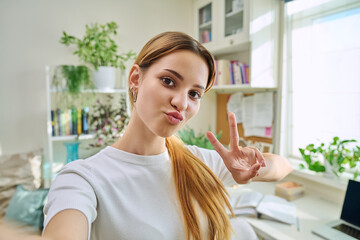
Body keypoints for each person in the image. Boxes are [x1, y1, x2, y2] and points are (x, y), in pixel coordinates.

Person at [0, 31, 292, 240]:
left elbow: (282, 166)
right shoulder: (81, 179)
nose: (182, 102)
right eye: (168, 81)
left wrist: (254, 167)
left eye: (194, 93)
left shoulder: (198, 161)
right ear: (136, 79)